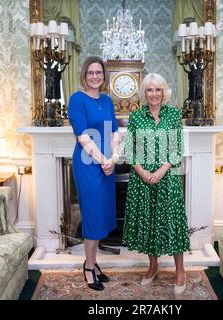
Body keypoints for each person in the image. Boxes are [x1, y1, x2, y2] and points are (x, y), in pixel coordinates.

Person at [123, 73, 190, 296]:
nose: (154, 94)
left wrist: (160, 171)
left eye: (158, 89)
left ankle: (180, 270)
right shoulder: (136, 117)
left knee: (173, 223)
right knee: (150, 223)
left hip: (167, 178)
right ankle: (153, 266)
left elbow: (177, 149)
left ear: (164, 92)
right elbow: (129, 151)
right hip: (142, 181)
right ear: (144, 93)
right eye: (150, 90)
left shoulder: (173, 115)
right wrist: (142, 172)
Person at [67, 56, 120, 291]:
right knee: (92, 215)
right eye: (91, 72)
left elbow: (114, 132)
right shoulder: (77, 100)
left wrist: (114, 159)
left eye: (99, 72)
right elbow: (83, 137)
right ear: (84, 75)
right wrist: (102, 161)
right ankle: (89, 267)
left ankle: (93, 263)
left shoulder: (107, 100)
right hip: (88, 164)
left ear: (104, 76)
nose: (95, 76)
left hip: (107, 164)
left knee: (103, 214)